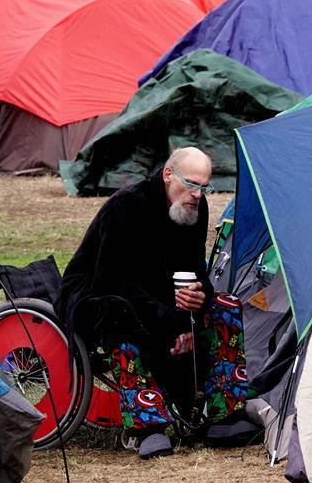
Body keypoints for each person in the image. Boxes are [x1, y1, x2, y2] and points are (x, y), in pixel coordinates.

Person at [55, 147, 255, 459]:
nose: (197, 194)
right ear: (168, 175)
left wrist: (199, 296)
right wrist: (169, 320)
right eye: (191, 184)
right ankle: (148, 426)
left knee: (225, 305)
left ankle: (224, 414)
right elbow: (110, 279)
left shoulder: (195, 209)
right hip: (99, 294)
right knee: (119, 312)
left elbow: (196, 270)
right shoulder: (126, 205)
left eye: (204, 187)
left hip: (163, 297)